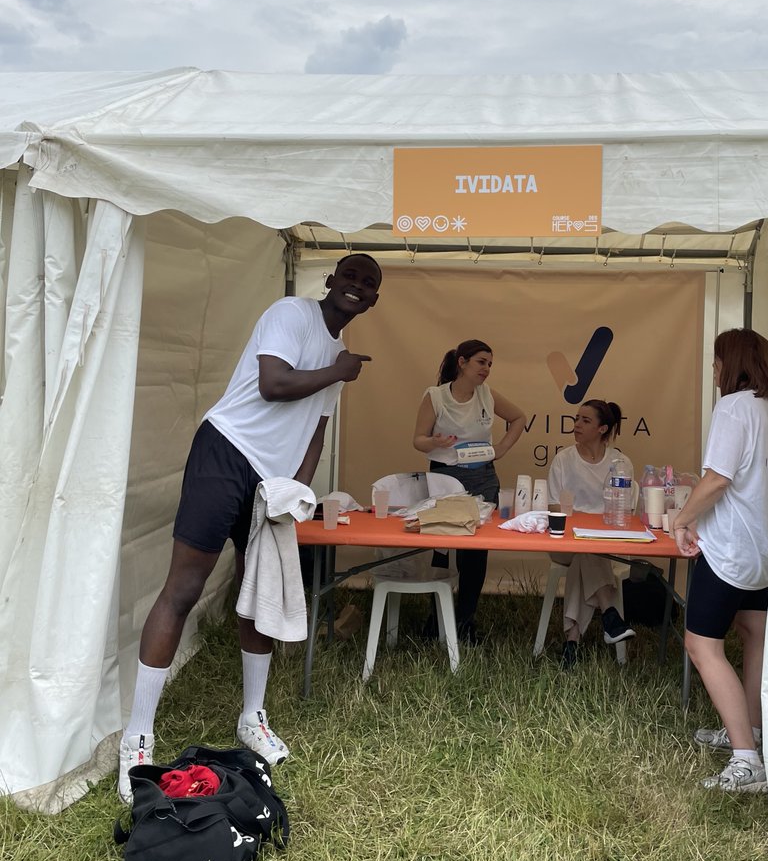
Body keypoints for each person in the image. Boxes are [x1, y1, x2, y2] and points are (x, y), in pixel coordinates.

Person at [118, 254, 383, 801]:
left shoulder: (338, 356)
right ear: (331, 281)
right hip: (226, 451)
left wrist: (298, 492)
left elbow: (316, 430)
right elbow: (273, 384)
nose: (357, 286)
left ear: (375, 299)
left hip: (272, 482)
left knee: (258, 591)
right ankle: (137, 737)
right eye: (351, 276)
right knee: (184, 588)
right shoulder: (292, 314)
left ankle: (251, 718)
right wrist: (338, 370)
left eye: (369, 283)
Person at [672, 328, 768, 795]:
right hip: (766, 547)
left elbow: (719, 479)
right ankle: (751, 733)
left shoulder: (734, 407)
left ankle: (745, 759)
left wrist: (681, 518)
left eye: (718, 362)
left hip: (730, 550)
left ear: (735, 363)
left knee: (702, 645)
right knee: (754, 635)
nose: (715, 370)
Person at [412, 339, 525, 643]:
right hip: (446, 477)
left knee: (475, 552)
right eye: (481, 362)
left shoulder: (487, 394)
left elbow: (518, 418)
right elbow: (418, 440)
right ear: (462, 363)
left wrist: (499, 449)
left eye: (490, 364)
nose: (486, 369)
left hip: (483, 478)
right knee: (443, 548)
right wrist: (435, 442)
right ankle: (436, 618)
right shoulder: (436, 396)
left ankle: (464, 620)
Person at [547, 400, 636, 667]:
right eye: (576, 419)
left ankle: (571, 643)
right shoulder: (564, 460)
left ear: (602, 428)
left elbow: (627, 511)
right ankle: (609, 614)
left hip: (607, 545)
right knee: (584, 549)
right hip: (566, 542)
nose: (576, 425)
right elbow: (553, 506)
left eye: (585, 420)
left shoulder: (621, 463)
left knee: (585, 556)